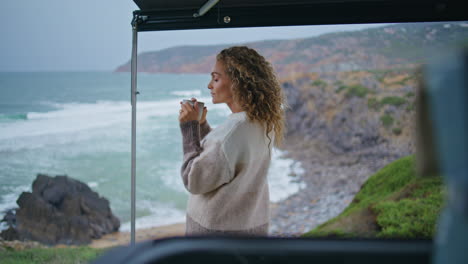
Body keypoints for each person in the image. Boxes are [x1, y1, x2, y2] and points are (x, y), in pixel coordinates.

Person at [178, 46, 286, 236]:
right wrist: (202, 126)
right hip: (251, 226)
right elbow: (224, 161)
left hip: (215, 235)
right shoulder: (262, 122)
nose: (210, 85)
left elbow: (194, 180)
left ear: (238, 83)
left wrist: (189, 129)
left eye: (216, 78)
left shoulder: (231, 133)